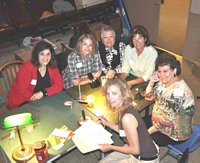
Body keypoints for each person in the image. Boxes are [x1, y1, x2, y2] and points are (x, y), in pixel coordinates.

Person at [98, 78, 159, 163]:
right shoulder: (123, 108)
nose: (110, 98)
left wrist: (110, 147)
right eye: (108, 94)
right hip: (136, 150)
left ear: (123, 94)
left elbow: (135, 150)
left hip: (144, 158)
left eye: (114, 93)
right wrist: (107, 123)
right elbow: (122, 130)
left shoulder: (127, 117)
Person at [145, 52, 195, 146]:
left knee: (142, 142)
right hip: (159, 120)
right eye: (159, 71)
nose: (161, 75)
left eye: (165, 71)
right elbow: (148, 96)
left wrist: (147, 132)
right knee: (135, 122)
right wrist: (151, 82)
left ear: (174, 70)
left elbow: (166, 122)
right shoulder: (164, 81)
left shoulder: (178, 93)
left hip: (174, 132)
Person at [7, 40, 64, 109]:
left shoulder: (52, 66)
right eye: (42, 54)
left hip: (43, 98)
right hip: (23, 100)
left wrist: (43, 93)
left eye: (48, 54)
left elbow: (59, 85)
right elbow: (22, 89)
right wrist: (35, 100)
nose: (45, 58)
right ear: (37, 55)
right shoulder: (27, 67)